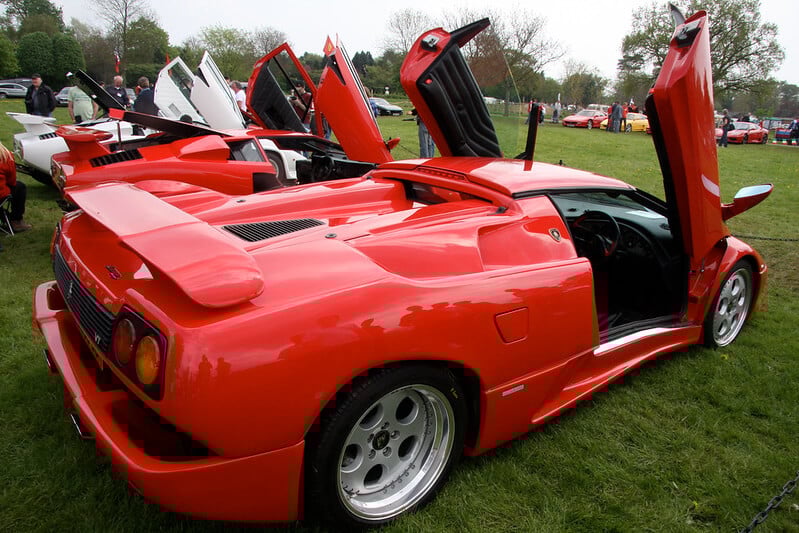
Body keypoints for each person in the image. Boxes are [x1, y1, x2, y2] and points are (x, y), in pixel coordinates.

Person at [0, 141, 32, 233]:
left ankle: (7, 217)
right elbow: (12, 181)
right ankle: (16, 220)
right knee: (20, 187)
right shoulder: (5, 156)